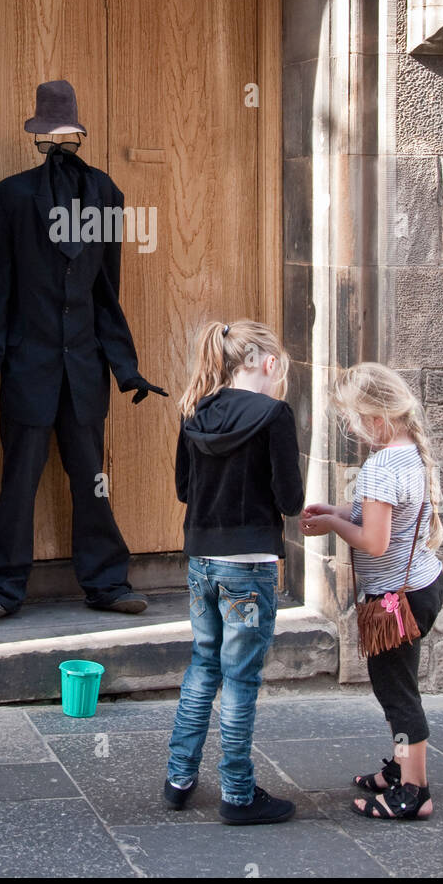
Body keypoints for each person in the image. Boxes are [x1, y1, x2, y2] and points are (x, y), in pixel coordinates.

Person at [0, 79, 166, 623]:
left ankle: (107, 582)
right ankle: (0, 589)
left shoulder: (107, 194)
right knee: (18, 480)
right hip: (29, 365)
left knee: (91, 476)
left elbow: (107, 292)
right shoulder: (11, 197)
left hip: (85, 368)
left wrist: (124, 366)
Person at [164, 320, 304, 825]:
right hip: (249, 564)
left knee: (203, 665)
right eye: (278, 370)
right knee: (241, 679)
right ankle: (238, 794)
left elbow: (184, 489)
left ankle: (179, 779)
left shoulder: (193, 408)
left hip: (201, 557)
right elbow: (290, 499)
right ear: (267, 363)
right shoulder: (273, 415)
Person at [301, 362, 443, 821]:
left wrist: (331, 523)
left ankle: (414, 791)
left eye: (352, 416)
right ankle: (401, 770)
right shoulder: (410, 454)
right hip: (421, 586)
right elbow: (386, 514)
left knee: (398, 695)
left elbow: (375, 540)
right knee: (398, 689)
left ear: (378, 418)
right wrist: (341, 509)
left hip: (393, 601)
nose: (349, 425)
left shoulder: (382, 464)